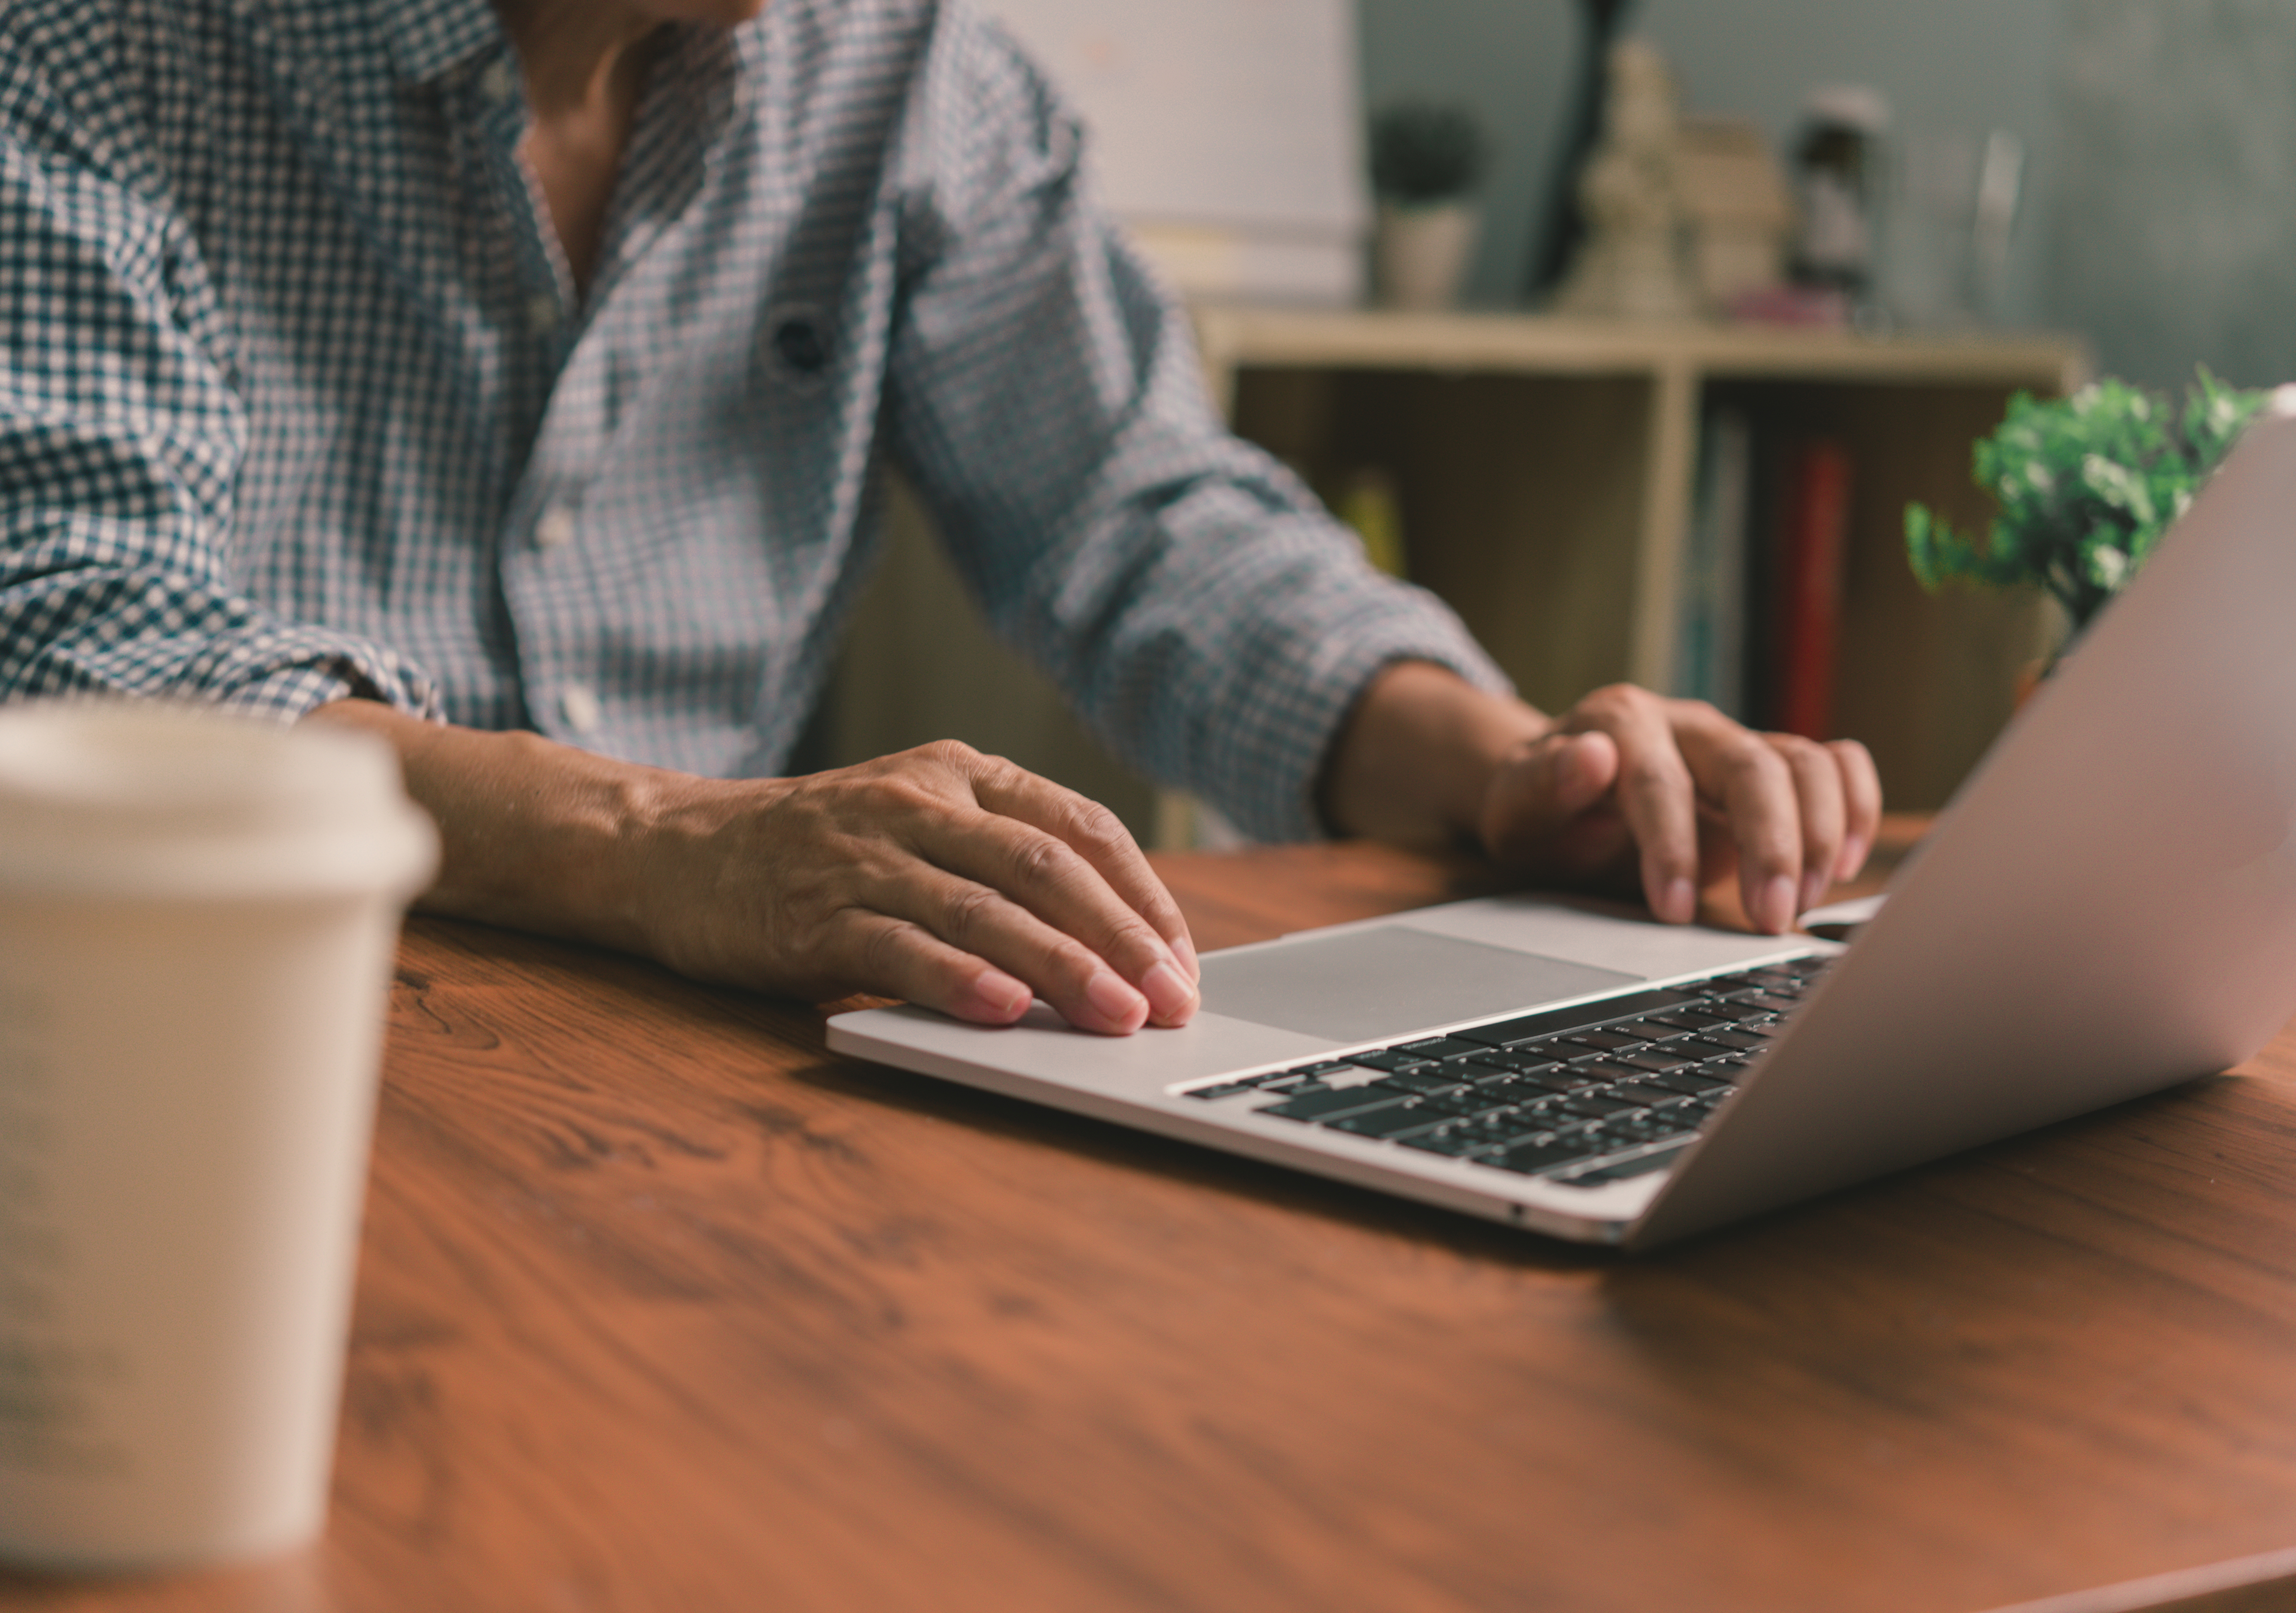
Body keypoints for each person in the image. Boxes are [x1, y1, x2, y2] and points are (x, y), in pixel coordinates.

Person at [0, 0, 1879, 1038]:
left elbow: (1144, 517)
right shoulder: (86, 47)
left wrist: (1500, 765)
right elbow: (90, 649)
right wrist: (670, 838)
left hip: (682, 1082)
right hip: (185, 1062)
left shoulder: (898, 76)